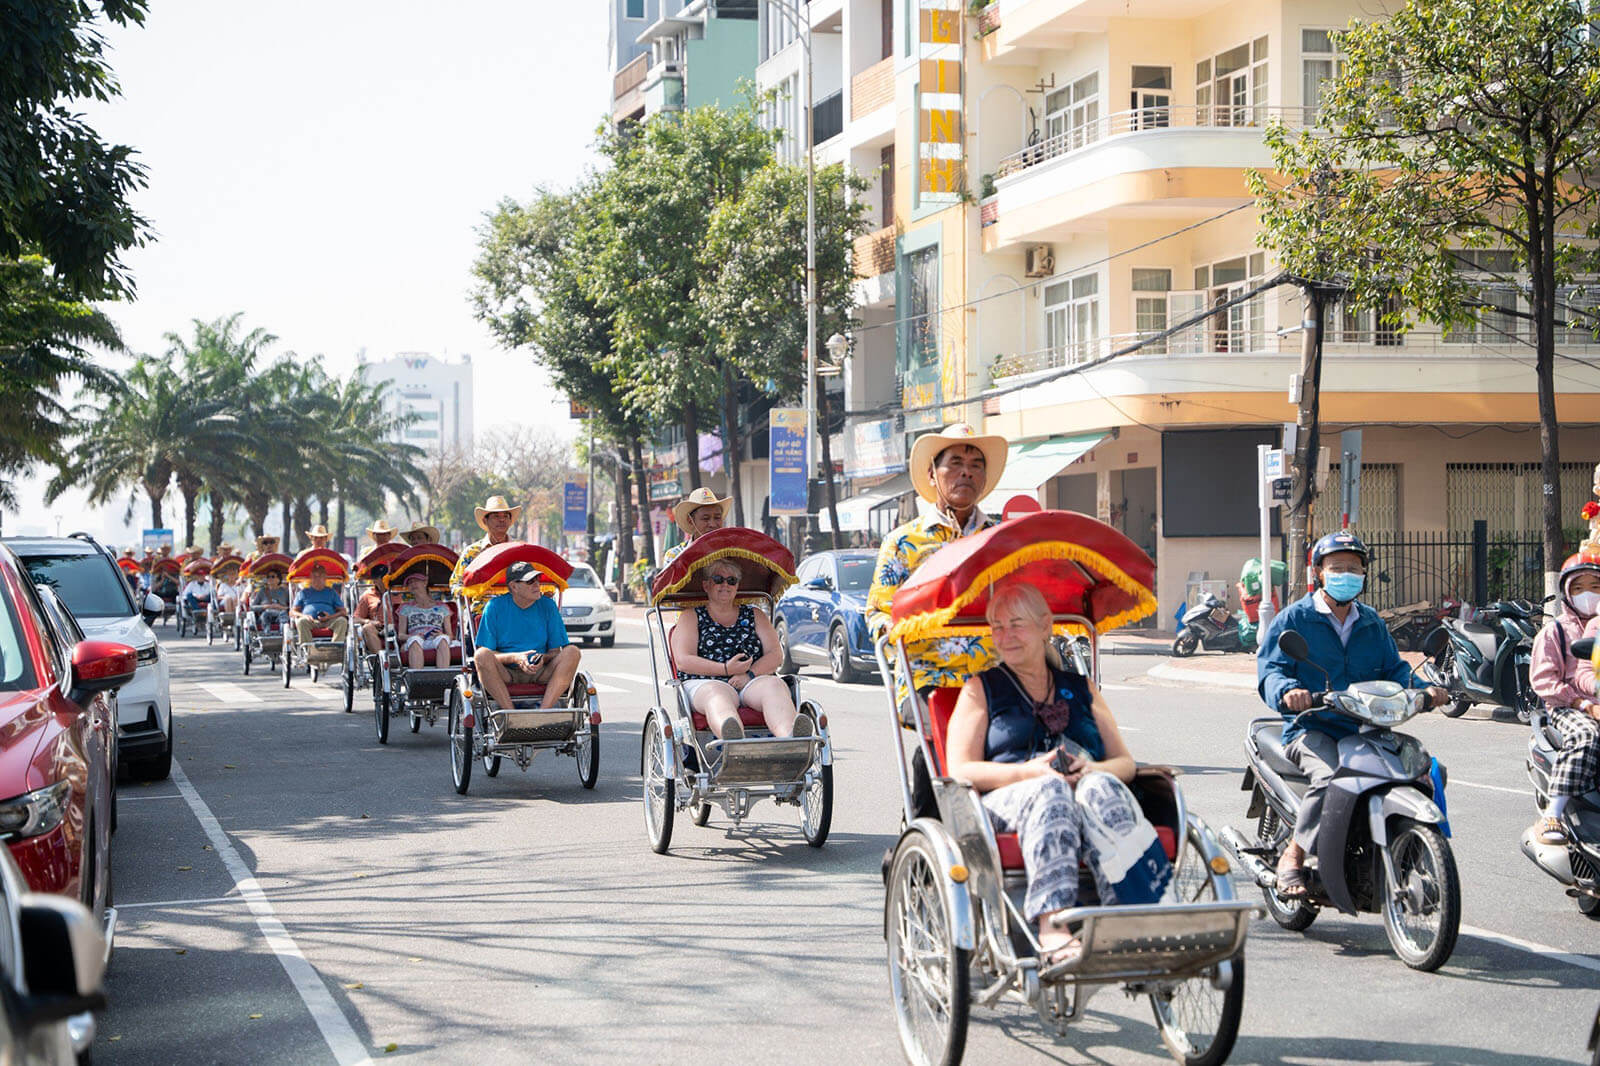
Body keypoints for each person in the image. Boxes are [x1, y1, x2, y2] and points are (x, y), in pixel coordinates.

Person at [945, 581, 1172, 962]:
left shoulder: (1081, 688)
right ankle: (1052, 922)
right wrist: (1029, 773)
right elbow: (961, 768)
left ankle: (1133, 910)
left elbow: (1125, 763)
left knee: (1101, 785)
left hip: (1082, 796)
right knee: (1049, 791)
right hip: (1004, 801)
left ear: (1046, 625)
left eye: (1016, 624)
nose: (1005, 636)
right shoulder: (981, 689)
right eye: (997, 627)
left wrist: (1092, 769)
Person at [1257, 531, 1448, 897]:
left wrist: (1424, 688)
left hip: (1367, 727)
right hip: (1312, 728)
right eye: (1337, 568)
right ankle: (1293, 857)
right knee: (1330, 779)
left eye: (1354, 568)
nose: (1346, 574)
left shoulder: (1371, 622)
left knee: (1421, 770)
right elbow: (1271, 672)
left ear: (1364, 575)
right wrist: (1289, 692)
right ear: (1319, 573)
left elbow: (1394, 670)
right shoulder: (1294, 619)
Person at [867, 423, 1009, 697]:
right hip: (926, 678)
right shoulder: (901, 542)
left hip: (995, 678)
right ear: (932, 474)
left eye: (976, 465)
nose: (966, 471)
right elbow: (876, 613)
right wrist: (892, 628)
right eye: (955, 463)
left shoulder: (1002, 540)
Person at [668, 558, 809, 741]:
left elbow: (775, 655)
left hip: (751, 680)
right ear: (706, 585)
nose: (725, 585)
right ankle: (734, 740)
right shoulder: (691, 616)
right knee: (716, 694)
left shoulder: (755, 615)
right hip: (705, 681)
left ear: (737, 586)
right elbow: (683, 660)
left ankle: (791, 738)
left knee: (774, 685)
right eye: (718, 579)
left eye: (731, 581)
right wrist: (725, 669)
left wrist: (748, 675)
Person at [1533, 552, 1600, 844]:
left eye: (1595, 587)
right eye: (1579, 588)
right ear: (1567, 592)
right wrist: (1583, 702)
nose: (1588, 595)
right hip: (1567, 706)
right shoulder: (1555, 631)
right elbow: (1544, 681)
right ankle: (1553, 813)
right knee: (1587, 735)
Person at [472, 561, 580, 710]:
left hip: (541, 671)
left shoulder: (548, 605)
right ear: (514, 586)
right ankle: (510, 714)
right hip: (507, 672)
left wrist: (543, 658)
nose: (536, 585)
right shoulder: (495, 607)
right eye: (530, 582)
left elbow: (555, 652)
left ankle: (544, 711)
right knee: (481, 655)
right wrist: (515, 657)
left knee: (572, 652)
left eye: (537, 580)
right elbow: (488, 652)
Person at [450, 495, 520, 608]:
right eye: (496, 516)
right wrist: (467, 592)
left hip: (515, 609)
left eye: (506, 516)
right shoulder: (471, 552)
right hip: (481, 610)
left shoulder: (519, 550)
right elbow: (456, 583)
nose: (502, 519)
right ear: (485, 520)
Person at [395, 571, 454, 669]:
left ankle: (443, 676)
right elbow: (400, 635)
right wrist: (413, 636)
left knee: (443, 639)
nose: (413, 584)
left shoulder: (443, 607)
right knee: (414, 640)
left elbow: (450, 635)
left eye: (416, 581)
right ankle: (417, 678)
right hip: (415, 639)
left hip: (435, 639)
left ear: (425, 582)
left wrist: (441, 634)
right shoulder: (405, 608)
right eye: (410, 583)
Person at [660, 488, 731, 569]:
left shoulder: (732, 552)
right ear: (691, 521)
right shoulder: (675, 556)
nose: (713, 524)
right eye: (705, 518)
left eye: (717, 517)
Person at [291, 564, 349, 645]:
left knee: (342, 621)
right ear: (311, 578)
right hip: (310, 621)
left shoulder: (331, 592)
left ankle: (335, 648)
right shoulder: (303, 593)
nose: (317, 578)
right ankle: (308, 650)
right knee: (301, 622)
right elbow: (292, 612)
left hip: (329, 621)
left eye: (320, 576)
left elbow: (343, 612)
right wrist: (303, 616)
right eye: (315, 576)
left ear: (325, 578)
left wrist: (330, 617)